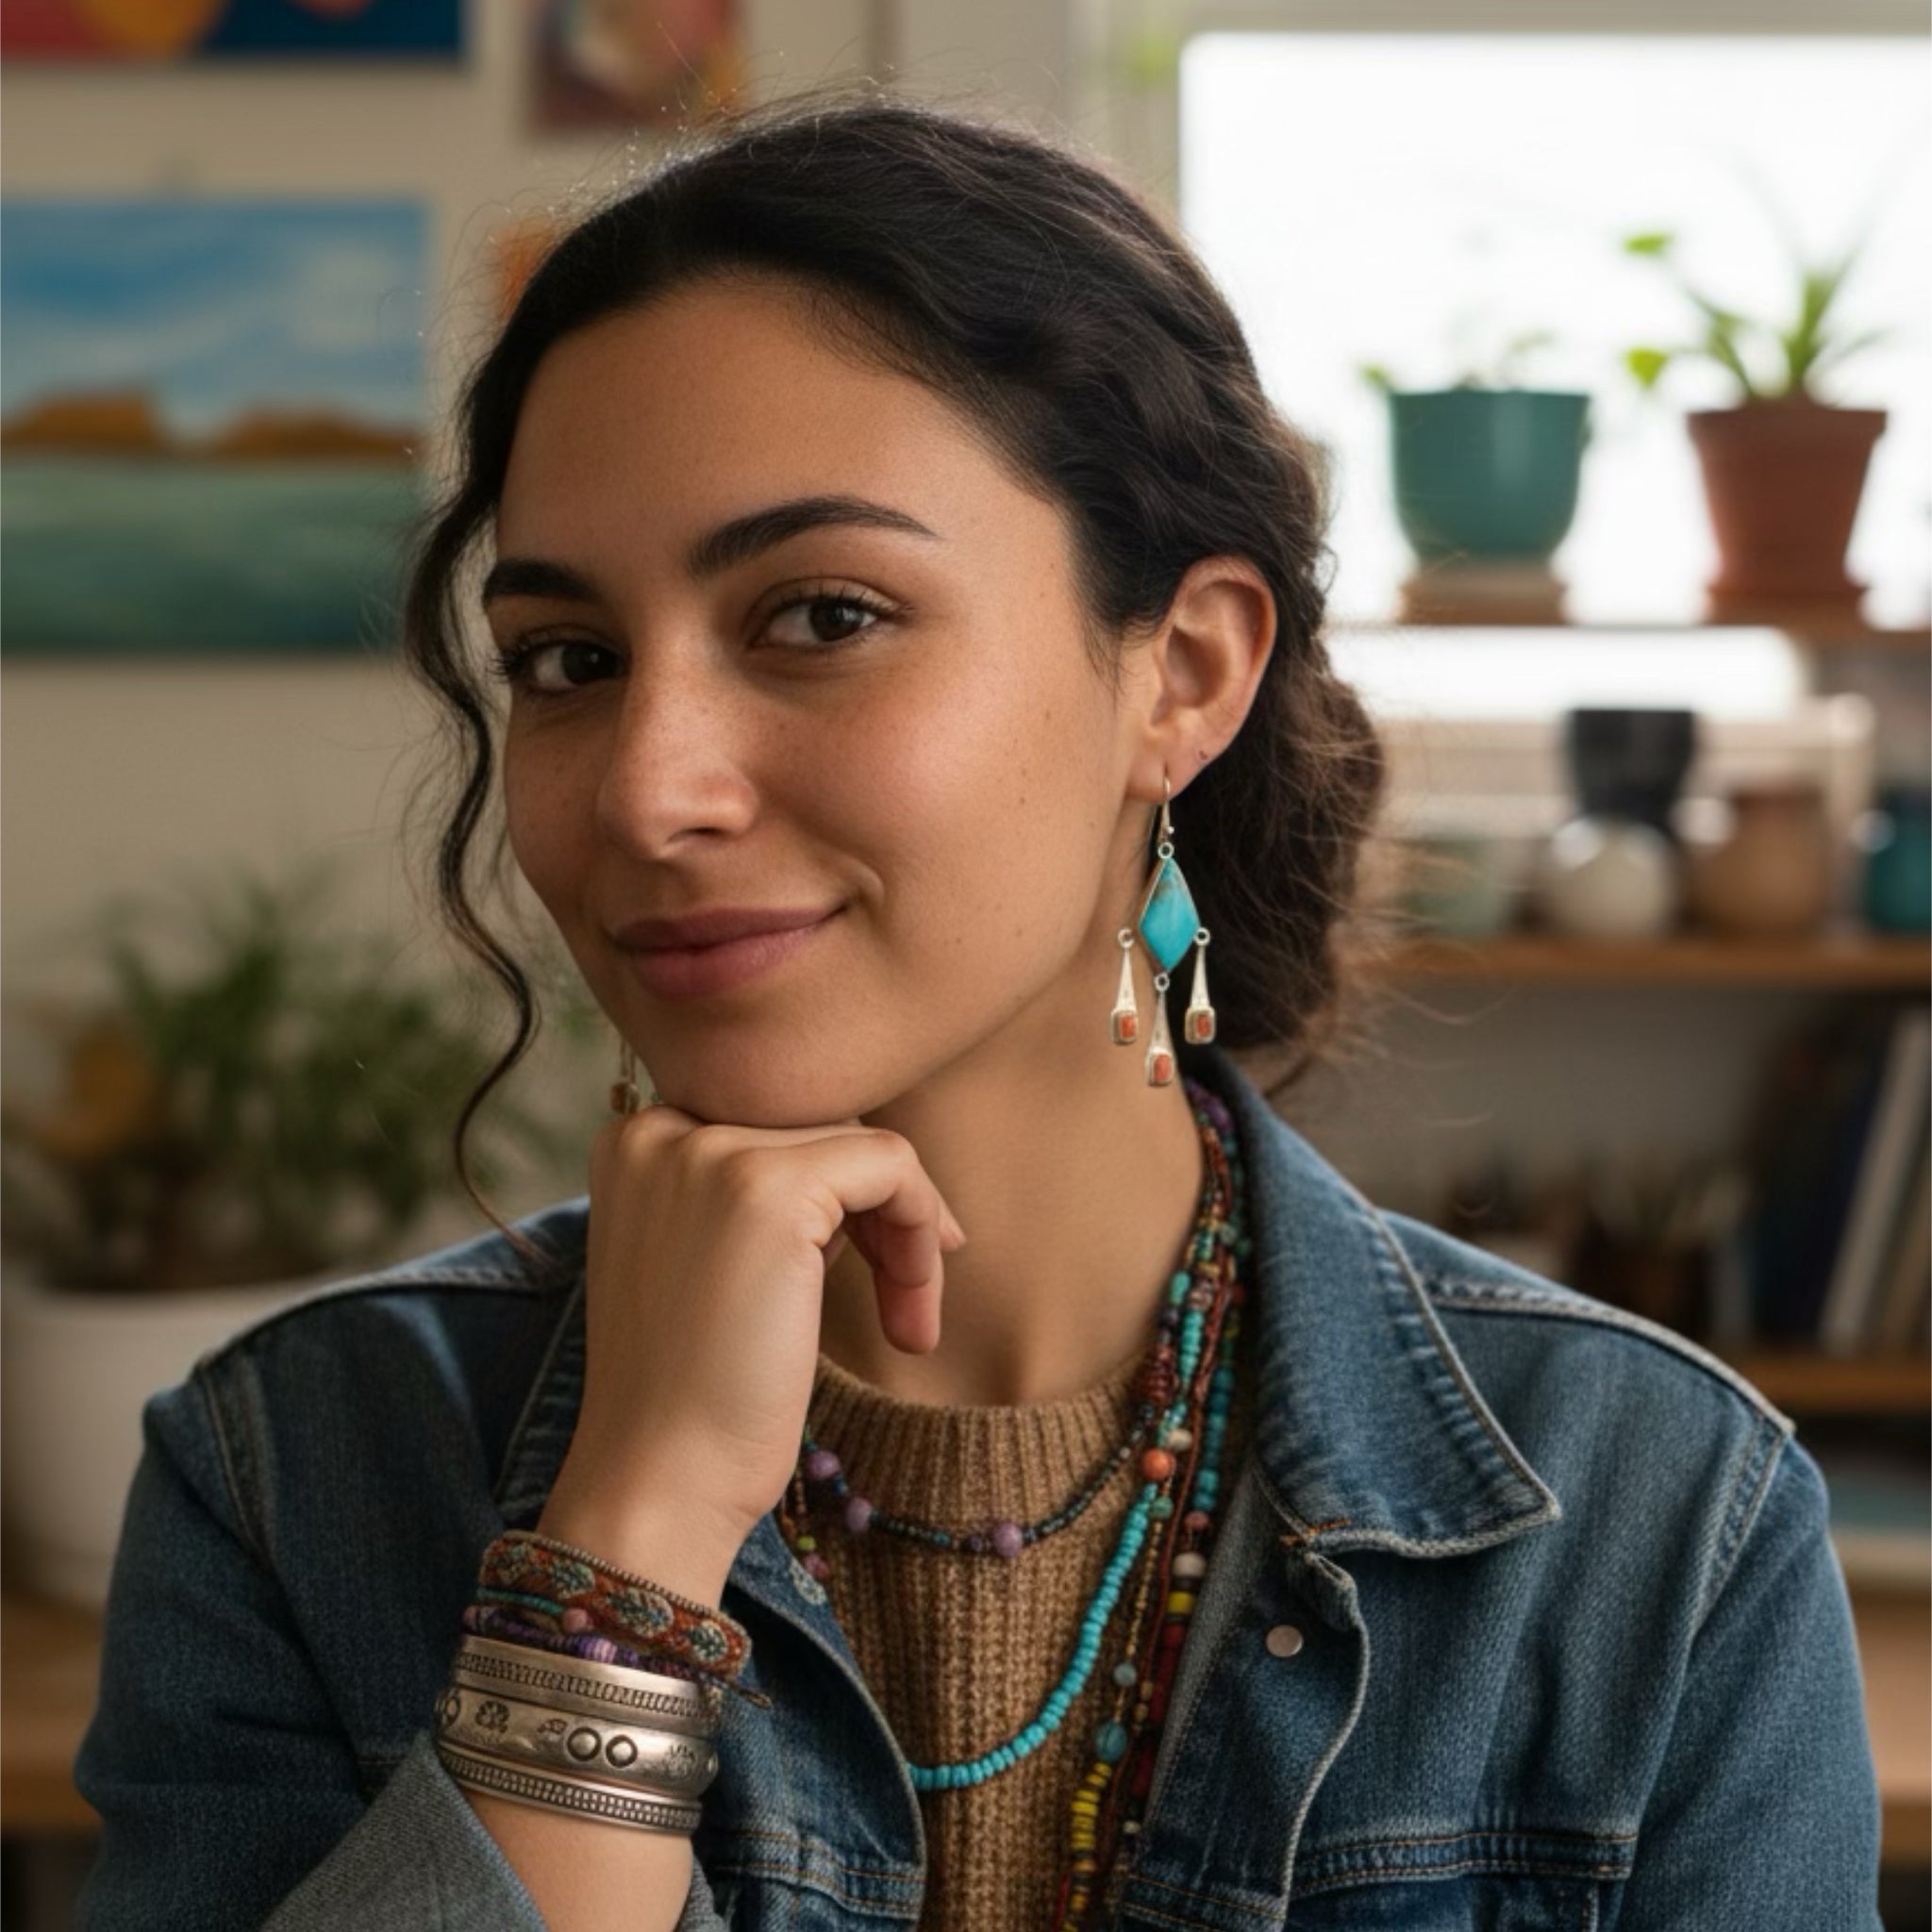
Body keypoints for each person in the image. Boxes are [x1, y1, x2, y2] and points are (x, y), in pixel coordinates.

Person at [75, 84, 1883, 1932]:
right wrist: (627, 1540)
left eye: (823, 615)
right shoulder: (301, 1474)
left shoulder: (1661, 1521)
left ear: (1179, 673)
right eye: (569, 660)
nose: (644, 787)